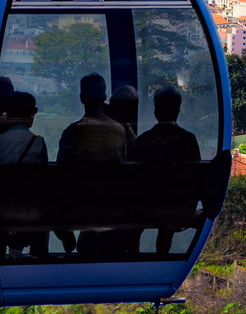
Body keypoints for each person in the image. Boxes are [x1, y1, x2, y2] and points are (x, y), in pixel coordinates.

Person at [57, 73, 129, 256]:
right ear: (104, 98)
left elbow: (61, 173)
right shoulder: (119, 130)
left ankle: (69, 237)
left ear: (81, 98)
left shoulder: (72, 131)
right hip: (114, 205)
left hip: (81, 206)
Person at [134, 85, 202, 254]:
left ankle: (134, 255)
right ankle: (162, 255)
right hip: (179, 210)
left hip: (147, 208)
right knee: (168, 220)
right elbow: (196, 177)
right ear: (178, 111)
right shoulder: (188, 139)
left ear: (156, 111)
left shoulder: (143, 140)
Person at [0, 91, 48, 258]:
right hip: (30, 212)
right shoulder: (38, 143)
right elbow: (44, 179)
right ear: (32, 113)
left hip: (0, 210)